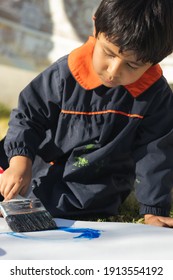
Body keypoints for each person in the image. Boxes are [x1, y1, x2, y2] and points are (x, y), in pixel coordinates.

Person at [0, 0, 173, 227]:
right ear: (95, 28)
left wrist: (154, 209)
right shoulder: (65, 73)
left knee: (71, 204)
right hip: (36, 160)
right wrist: (20, 161)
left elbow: (155, 152)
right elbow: (27, 117)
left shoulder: (156, 95)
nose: (113, 72)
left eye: (131, 66)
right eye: (109, 53)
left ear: (156, 60)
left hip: (93, 178)